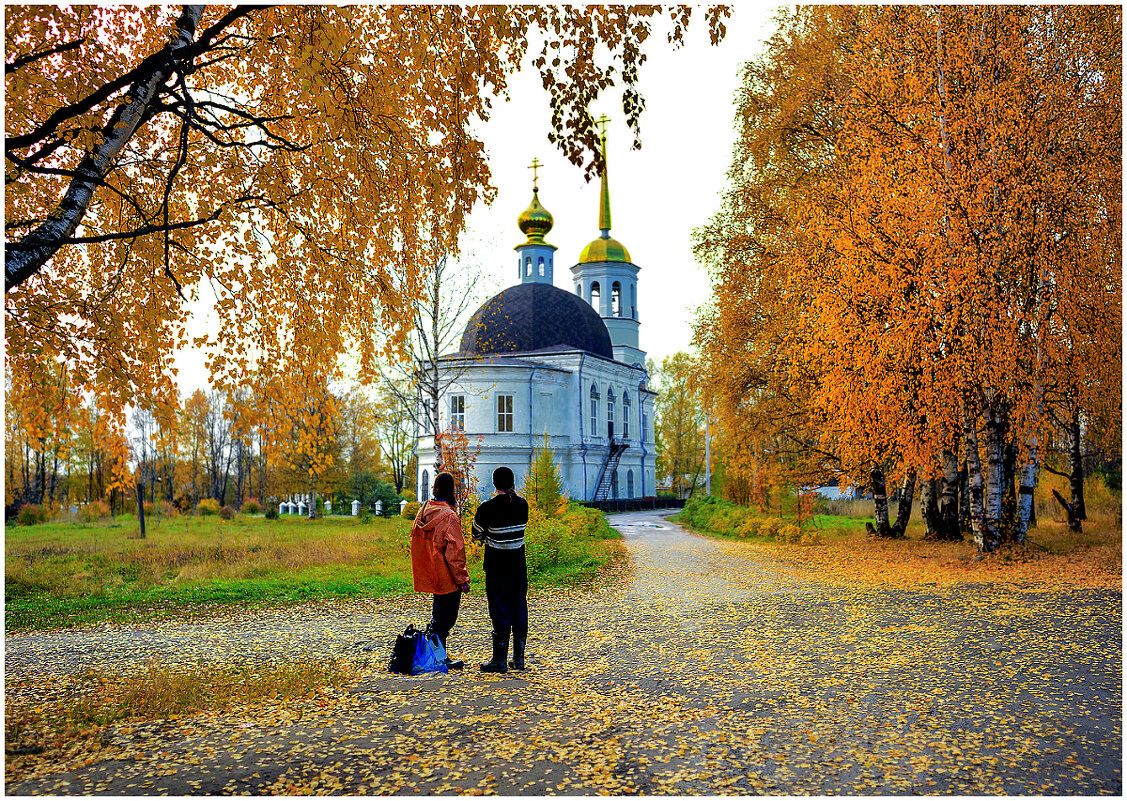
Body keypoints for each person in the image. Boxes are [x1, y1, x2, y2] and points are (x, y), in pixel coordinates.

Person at [410, 471, 470, 670]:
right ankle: (438, 658)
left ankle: (437, 656)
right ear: (451, 490)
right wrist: (462, 579)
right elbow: (455, 552)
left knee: (438, 616)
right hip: (446, 576)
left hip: (430, 571)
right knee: (446, 620)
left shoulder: (424, 510)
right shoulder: (450, 517)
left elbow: (416, 540)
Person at [472, 466, 530, 672]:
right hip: (518, 566)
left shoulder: (487, 508)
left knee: (499, 609)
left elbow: (476, 534)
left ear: (495, 484)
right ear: (513, 483)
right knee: (519, 607)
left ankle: (499, 661)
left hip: (497, 566)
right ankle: (519, 659)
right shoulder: (523, 505)